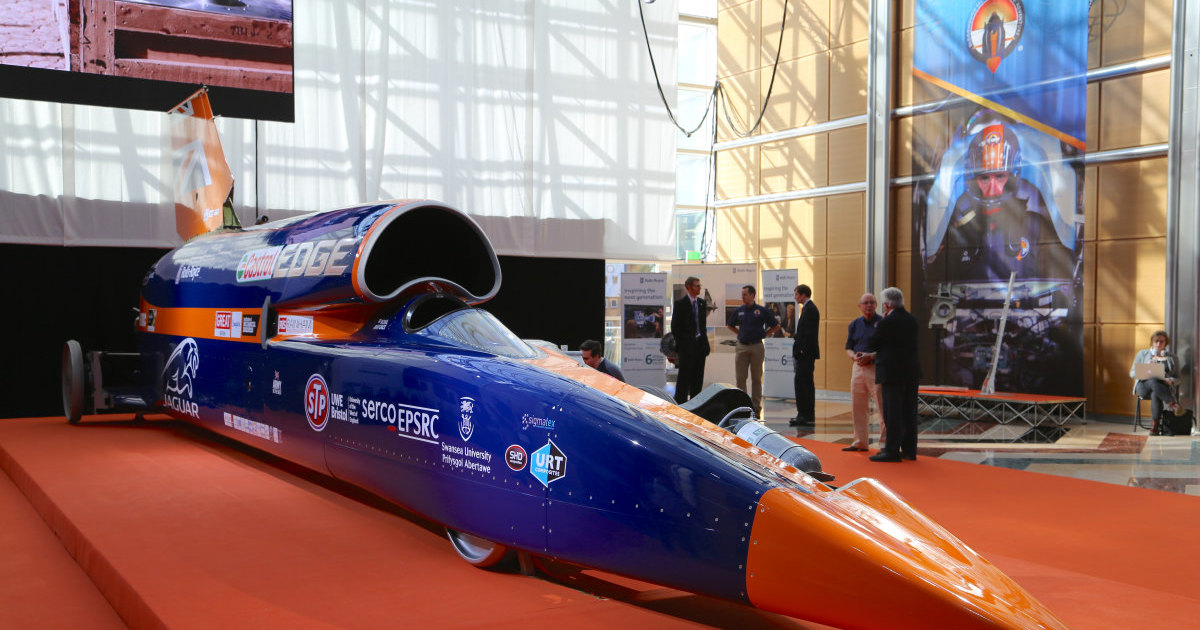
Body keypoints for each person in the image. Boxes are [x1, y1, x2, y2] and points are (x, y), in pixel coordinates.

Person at [860, 287, 921, 462]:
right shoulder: (912, 320)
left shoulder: (887, 322)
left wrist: (880, 324)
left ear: (886, 305)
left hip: (892, 373)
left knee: (892, 413)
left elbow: (873, 342)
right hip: (911, 372)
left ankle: (892, 451)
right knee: (909, 411)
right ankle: (910, 450)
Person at [726, 285, 780, 415]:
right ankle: (742, 406)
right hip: (742, 347)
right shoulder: (739, 310)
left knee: (756, 378)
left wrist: (765, 334)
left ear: (752, 295)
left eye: (745, 294)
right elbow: (730, 325)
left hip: (757, 346)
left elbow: (776, 325)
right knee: (740, 378)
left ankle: (756, 407)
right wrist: (740, 333)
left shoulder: (761, 310)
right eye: (742, 294)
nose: (742, 297)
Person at [842, 293, 885, 451]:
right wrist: (853, 357)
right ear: (859, 306)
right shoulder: (854, 324)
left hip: (876, 367)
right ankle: (860, 441)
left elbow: (887, 348)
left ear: (876, 305)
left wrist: (870, 356)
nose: (869, 305)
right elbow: (848, 347)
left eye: (872, 302)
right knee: (858, 405)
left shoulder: (882, 323)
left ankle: (885, 444)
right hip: (858, 367)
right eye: (866, 303)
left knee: (882, 406)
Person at [1129, 330, 1183, 435]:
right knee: (1153, 379)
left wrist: (1171, 381)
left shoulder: (1173, 358)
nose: (1158, 344)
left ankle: (1155, 427)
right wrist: (1145, 368)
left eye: (1161, 342)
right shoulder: (1142, 354)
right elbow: (1132, 373)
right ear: (1152, 342)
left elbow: (1179, 378)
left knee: (1156, 392)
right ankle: (1173, 404)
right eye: (1156, 341)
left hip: (1162, 389)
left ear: (1165, 343)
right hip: (1144, 387)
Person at [671, 276, 709, 403]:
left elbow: (702, 327)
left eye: (700, 286)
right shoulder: (680, 304)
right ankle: (680, 405)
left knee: (698, 379)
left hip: (700, 347)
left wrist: (705, 345)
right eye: (696, 286)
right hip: (686, 348)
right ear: (688, 287)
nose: (699, 288)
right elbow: (675, 327)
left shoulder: (702, 303)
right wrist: (683, 344)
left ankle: (696, 405)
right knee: (684, 379)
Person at [790, 284, 820, 427]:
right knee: (802, 384)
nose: (795, 298)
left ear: (803, 295)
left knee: (804, 384)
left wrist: (802, 350)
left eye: (796, 295)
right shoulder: (807, 309)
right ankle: (803, 414)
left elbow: (809, 334)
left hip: (805, 355)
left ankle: (805, 415)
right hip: (803, 354)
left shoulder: (811, 310)